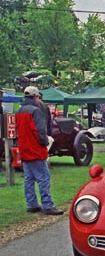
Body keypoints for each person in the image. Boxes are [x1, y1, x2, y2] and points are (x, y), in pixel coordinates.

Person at [15, 86, 64, 216]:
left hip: (24, 148)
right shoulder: (36, 111)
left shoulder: (20, 111)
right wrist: (45, 142)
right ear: (36, 96)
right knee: (43, 178)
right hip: (35, 148)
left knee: (29, 179)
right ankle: (47, 205)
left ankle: (31, 204)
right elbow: (40, 130)